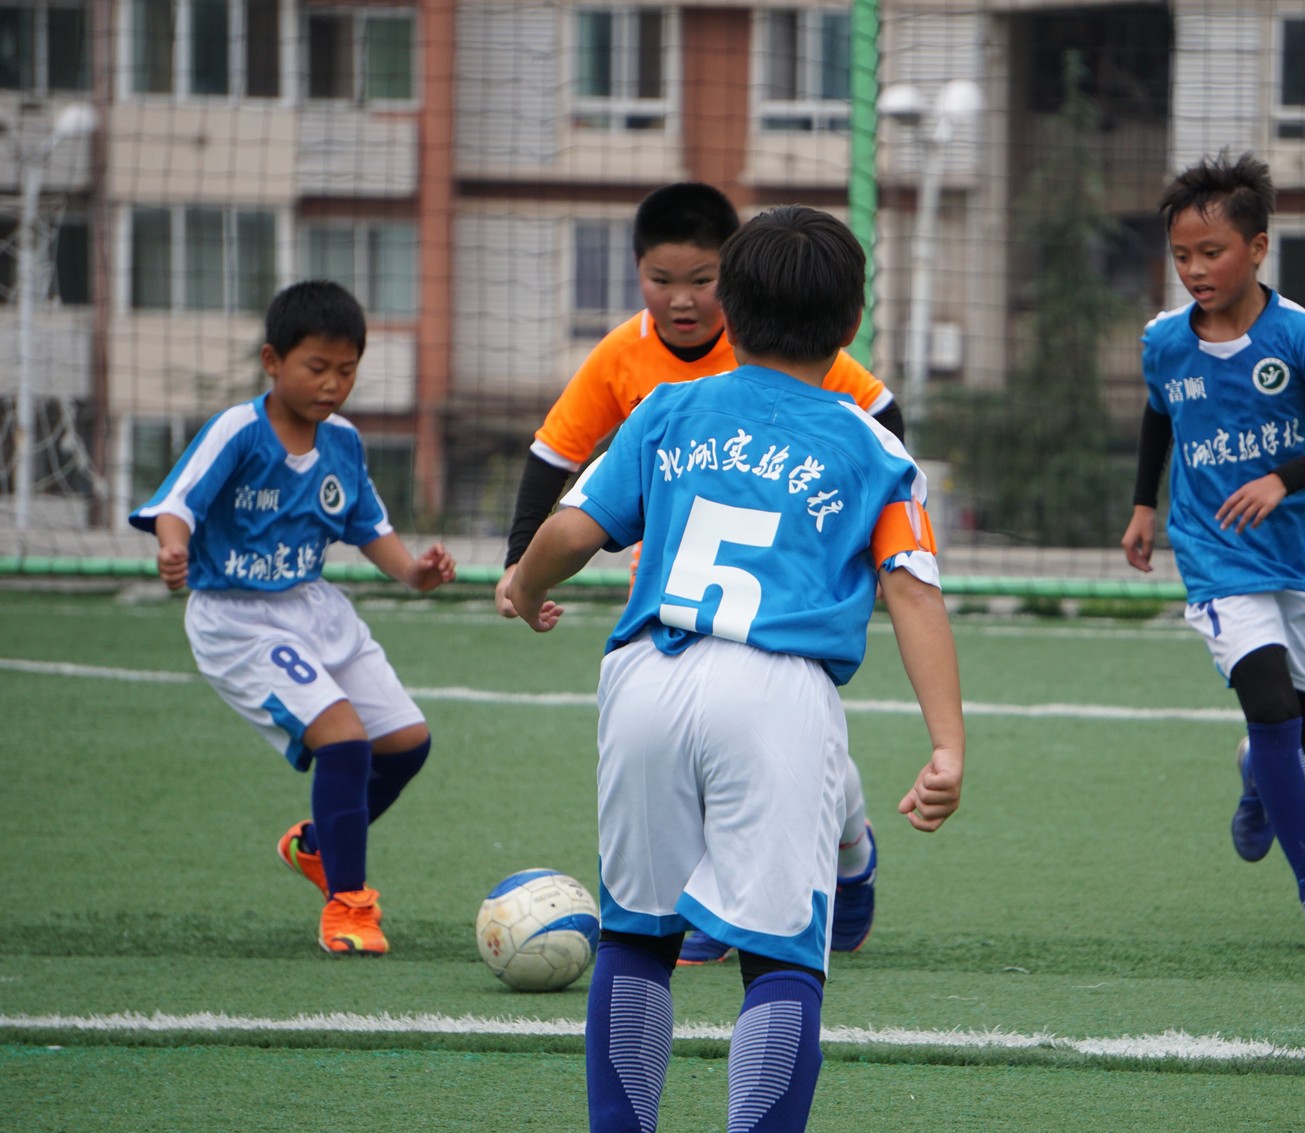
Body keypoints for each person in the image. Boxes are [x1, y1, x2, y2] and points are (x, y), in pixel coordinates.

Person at [508, 205, 965, 1133]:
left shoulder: (669, 408)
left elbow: (574, 528)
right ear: (851, 324)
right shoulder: (875, 448)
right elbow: (913, 592)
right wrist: (947, 745)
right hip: (776, 692)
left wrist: (523, 582)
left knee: (636, 937)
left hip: (645, 676)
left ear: (729, 311)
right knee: (781, 957)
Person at [494, 182, 902, 964]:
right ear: (638, 273)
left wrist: (871, 541)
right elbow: (555, 453)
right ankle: (706, 906)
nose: (681, 299)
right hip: (673, 603)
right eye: (662, 280)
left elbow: (882, 420)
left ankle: (850, 849)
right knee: (697, 744)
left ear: (733, 289)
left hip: (785, 603)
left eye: (701, 280)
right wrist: (520, 560)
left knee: (796, 752)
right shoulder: (628, 362)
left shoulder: (790, 334)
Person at [1121, 152, 1305, 946]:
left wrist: (1282, 478)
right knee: (1273, 708)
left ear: (1257, 248)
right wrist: (1144, 505)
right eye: (1181, 255)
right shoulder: (1164, 341)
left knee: (1295, 730)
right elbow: (1160, 412)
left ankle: (1258, 773)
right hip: (1216, 554)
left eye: (1211, 253)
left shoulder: (1301, 335)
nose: (1194, 270)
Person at [129, 280, 456, 956]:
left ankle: (316, 846)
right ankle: (348, 906)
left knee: (407, 743)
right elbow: (178, 503)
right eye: (317, 367)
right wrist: (171, 546)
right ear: (272, 361)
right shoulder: (238, 430)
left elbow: (369, 526)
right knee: (345, 741)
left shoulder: (344, 441)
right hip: (237, 619)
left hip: (313, 606)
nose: (332, 384)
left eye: (347, 370)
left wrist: (413, 572)